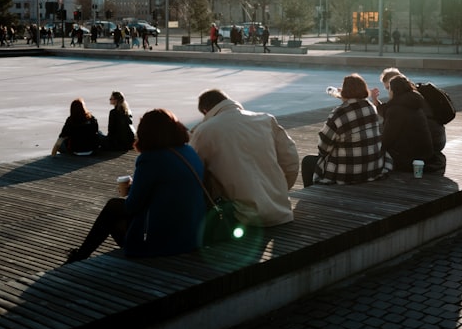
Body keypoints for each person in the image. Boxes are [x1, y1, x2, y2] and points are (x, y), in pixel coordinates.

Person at [65, 109, 207, 263]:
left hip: (167, 243)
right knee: (115, 212)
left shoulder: (150, 159)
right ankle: (81, 255)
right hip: (193, 236)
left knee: (113, 208)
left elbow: (133, 205)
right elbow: (167, 189)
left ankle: (81, 256)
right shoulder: (189, 152)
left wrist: (130, 188)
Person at [190, 89, 298, 227]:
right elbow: (291, 161)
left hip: (240, 217)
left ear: (205, 111)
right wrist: (280, 191)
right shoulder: (265, 119)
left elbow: (194, 173)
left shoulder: (204, 130)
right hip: (281, 212)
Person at [301, 74, 392, 187]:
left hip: (347, 174)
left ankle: (314, 196)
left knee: (308, 161)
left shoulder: (339, 114)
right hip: (373, 168)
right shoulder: (372, 108)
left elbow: (323, 147)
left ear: (344, 92)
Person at [371, 67, 447, 173]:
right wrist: (376, 102)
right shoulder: (414, 98)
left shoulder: (399, 107)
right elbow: (391, 111)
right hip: (430, 146)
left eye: (389, 88)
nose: (388, 92)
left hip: (426, 145)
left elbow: (387, 138)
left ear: (395, 87)